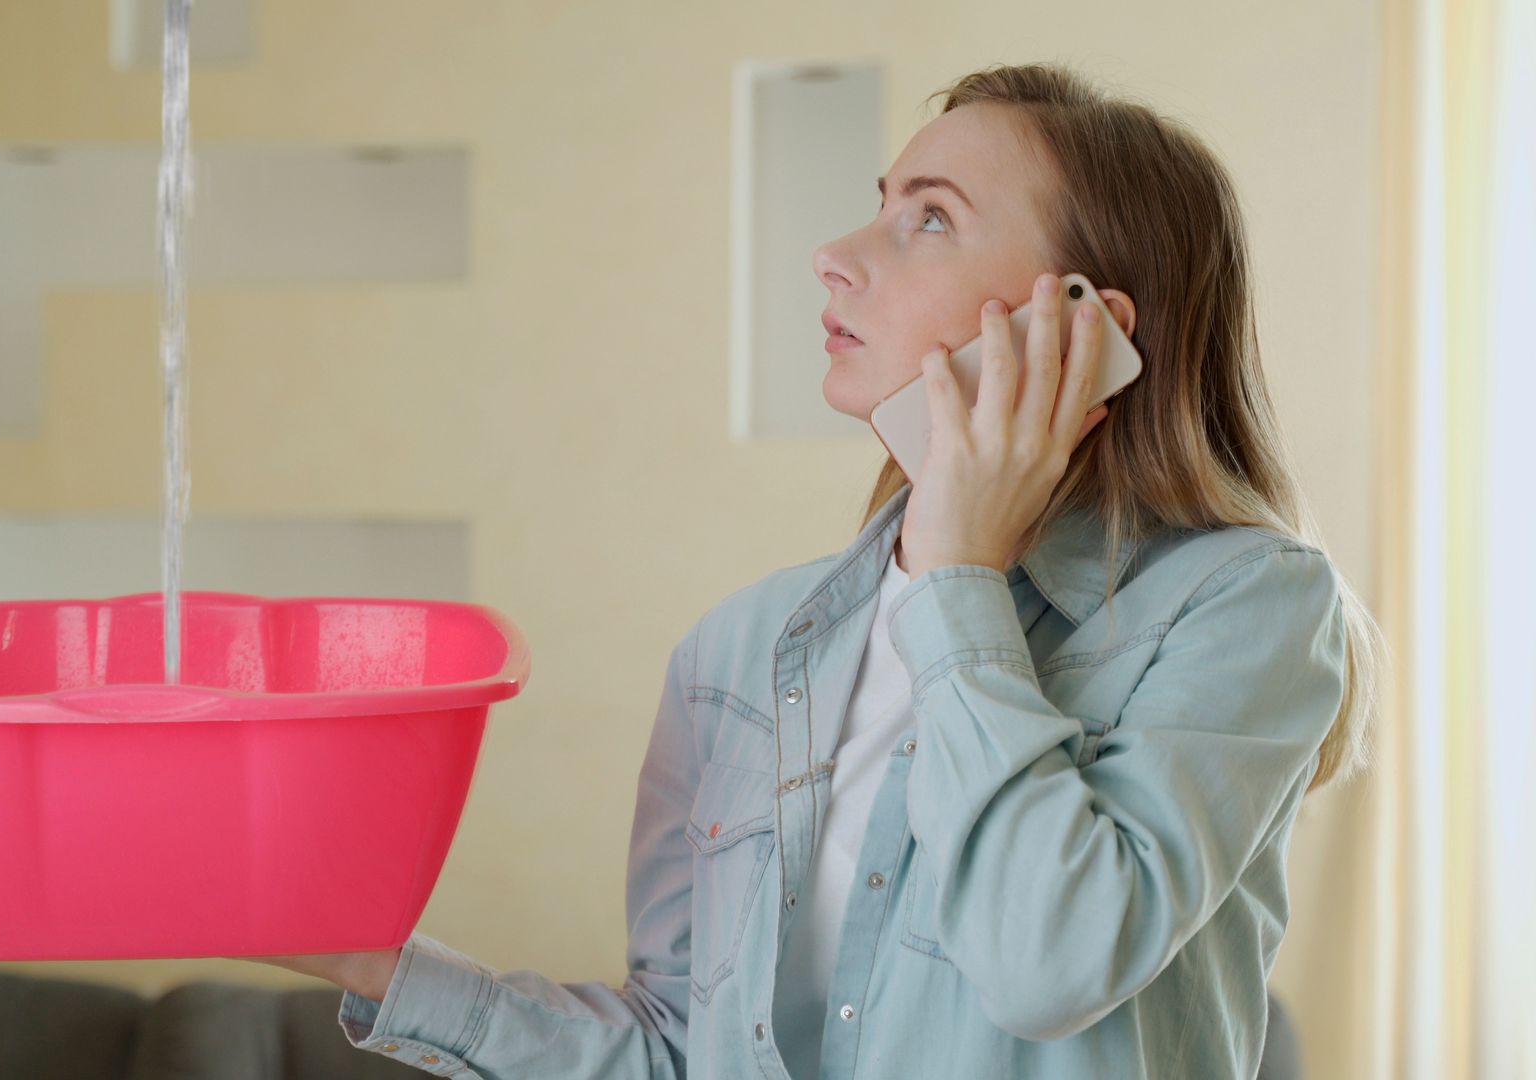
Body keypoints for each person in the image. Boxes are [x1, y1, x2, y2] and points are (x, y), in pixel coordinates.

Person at [240, 60, 1384, 1080]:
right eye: (879, 208)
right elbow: (678, 1052)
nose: (834, 259)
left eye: (929, 220)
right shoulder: (738, 653)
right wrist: (368, 957)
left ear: (1080, 328)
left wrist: (954, 579)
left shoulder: (1249, 607)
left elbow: (1052, 962)